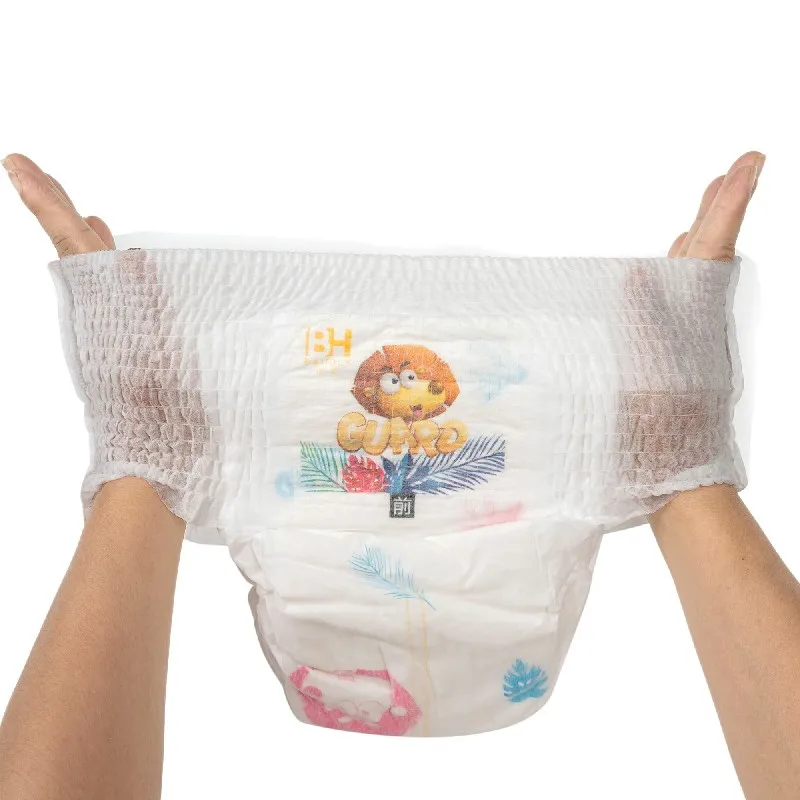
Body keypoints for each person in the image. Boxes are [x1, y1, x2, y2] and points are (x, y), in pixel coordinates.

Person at [0, 151, 797, 800]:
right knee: (675, 473)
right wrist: (675, 458)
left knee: (150, 475)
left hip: (314, 463)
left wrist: (152, 458)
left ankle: (148, 478)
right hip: (486, 465)